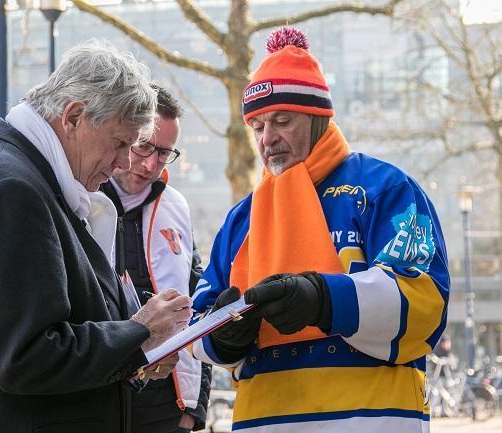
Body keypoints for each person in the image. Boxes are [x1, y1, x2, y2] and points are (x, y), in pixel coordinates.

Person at [0, 40, 193, 433]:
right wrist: (139, 333)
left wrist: (138, 346)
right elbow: (26, 355)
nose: (123, 164)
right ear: (74, 116)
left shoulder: (13, 177)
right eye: (120, 143)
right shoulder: (9, 189)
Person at [191, 27, 450, 432]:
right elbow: (198, 324)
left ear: (318, 119)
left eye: (281, 121)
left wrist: (323, 300)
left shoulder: (386, 188)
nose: (267, 139)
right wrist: (224, 335)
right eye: (257, 126)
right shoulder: (241, 217)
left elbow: (425, 303)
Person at [101, 84, 211, 433]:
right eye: (144, 146)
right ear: (123, 135)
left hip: (169, 407)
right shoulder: (82, 200)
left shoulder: (176, 205)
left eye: (164, 153)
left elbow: (200, 304)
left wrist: (195, 408)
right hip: (103, 401)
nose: (151, 164)